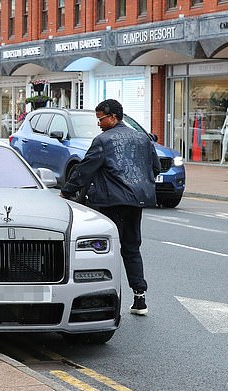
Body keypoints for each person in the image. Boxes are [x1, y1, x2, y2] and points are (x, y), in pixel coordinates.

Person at [60, 99, 161, 316]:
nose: (99, 124)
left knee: (106, 249)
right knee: (132, 248)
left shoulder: (103, 141)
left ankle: (105, 299)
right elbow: (156, 167)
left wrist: (67, 192)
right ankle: (140, 298)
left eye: (101, 119)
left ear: (113, 117)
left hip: (109, 202)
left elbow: (85, 169)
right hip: (136, 201)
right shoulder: (142, 138)